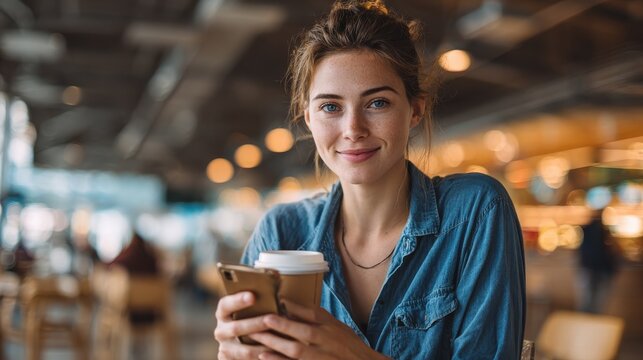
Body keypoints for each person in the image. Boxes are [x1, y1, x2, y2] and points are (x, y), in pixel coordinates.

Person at [213, 1, 526, 359]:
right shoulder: (280, 233)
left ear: (415, 110)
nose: (353, 130)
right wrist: (232, 352)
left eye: (377, 103)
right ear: (309, 119)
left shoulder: (474, 213)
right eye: (331, 107)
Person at [577, 210, 618, 313]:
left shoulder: (586, 229)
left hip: (588, 267)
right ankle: (594, 321)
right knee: (598, 301)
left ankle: (589, 320)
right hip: (599, 269)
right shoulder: (603, 230)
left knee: (587, 299)